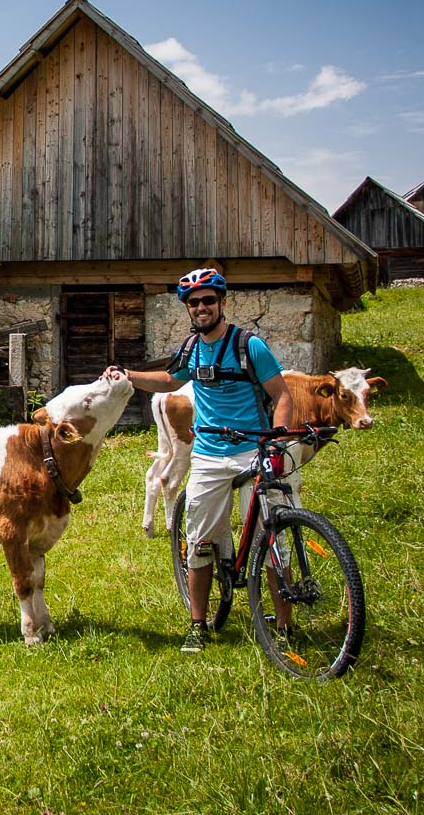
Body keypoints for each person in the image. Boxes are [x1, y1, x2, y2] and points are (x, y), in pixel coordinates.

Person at [116, 267, 294, 654]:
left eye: (208, 300)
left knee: (274, 538)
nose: (201, 307)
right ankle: (198, 624)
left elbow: (282, 396)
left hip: (253, 449)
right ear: (188, 308)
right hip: (210, 454)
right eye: (194, 302)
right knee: (198, 543)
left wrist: (276, 444)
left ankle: (284, 626)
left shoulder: (249, 346)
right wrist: (128, 375)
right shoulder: (192, 349)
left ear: (221, 303)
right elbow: (170, 380)